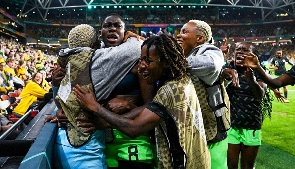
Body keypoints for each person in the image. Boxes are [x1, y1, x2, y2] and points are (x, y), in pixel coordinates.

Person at [73, 34, 210, 169]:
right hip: (197, 160)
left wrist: (96, 107)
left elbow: (134, 128)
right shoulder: (181, 80)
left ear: (166, 62)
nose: (141, 66)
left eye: (148, 61)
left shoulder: (170, 91)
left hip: (183, 164)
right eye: (141, 60)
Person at [51, 14, 155, 169]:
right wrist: (62, 110)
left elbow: (152, 105)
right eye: (107, 26)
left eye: (117, 26)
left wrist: (115, 115)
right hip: (100, 142)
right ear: (100, 33)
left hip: (131, 139)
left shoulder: (137, 62)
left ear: (125, 32)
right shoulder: (90, 61)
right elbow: (73, 96)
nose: (112, 28)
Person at [176, 20, 230, 169]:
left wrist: (172, 61)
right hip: (191, 127)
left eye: (185, 32)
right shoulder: (183, 53)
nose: (179, 35)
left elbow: (211, 64)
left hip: (212, 128)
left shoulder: (210, 50)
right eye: (180, 31)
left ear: (199, 39)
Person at [224, 42, 272, 169]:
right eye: (237, 49)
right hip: (231, 125)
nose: (239, 51)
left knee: (247, 166)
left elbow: (259, 95)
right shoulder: (229, 68)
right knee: (231, 165)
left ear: (253, 55)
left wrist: (251, 80)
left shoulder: (259, 71)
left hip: (251, 125)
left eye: (244, 50)